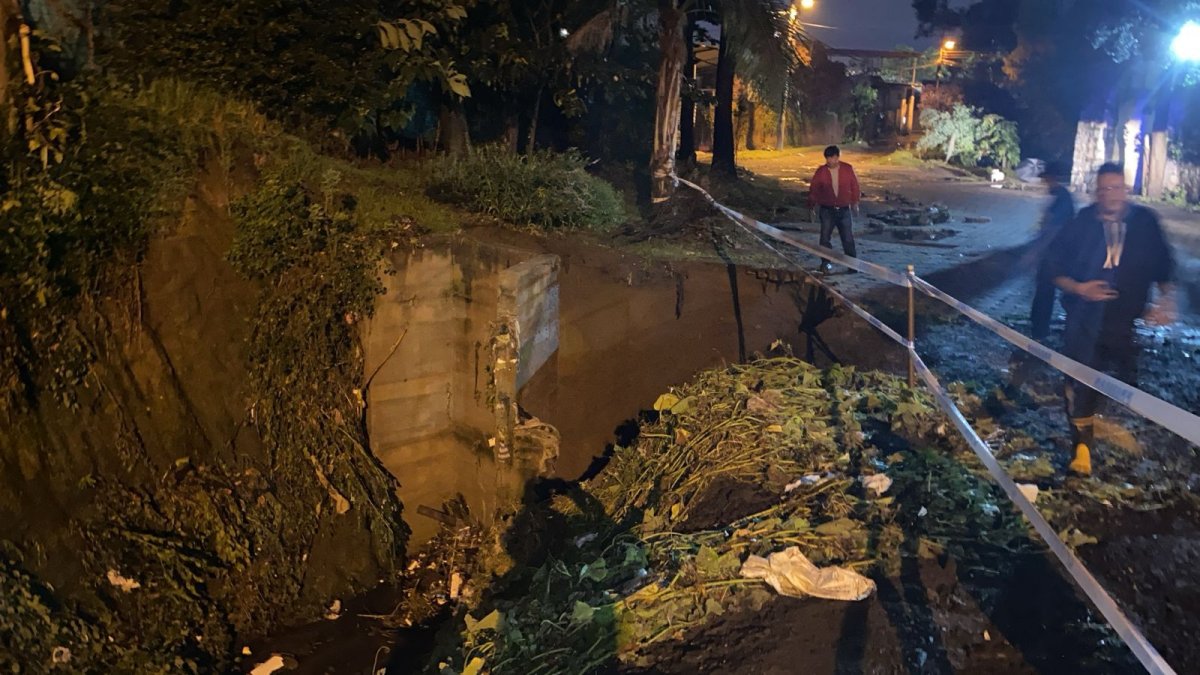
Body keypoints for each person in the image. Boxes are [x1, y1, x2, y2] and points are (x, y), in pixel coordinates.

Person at [1045, 163, 1177, 476]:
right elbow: (1052, 268)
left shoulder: (1145, 223)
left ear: (1126, 189)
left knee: (1122, 380)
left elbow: (1164, 265)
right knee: (1081, 380)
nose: (1110, 195)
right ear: (1096, 192)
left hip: (1125, 322)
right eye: (1103, 189)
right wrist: (1079, 288)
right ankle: (1082, 446)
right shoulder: (1081, 224)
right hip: (1084, 320)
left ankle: (1100, 420)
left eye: (1116, 188)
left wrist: (1166, 301)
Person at [1026, 161, 1076, 340]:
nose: (1044, 183)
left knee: (1047, 290)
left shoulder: (1061, 197)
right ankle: (1039, 325)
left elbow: (1054, 227)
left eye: (1046, 179)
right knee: (1044, 289)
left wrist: (1037, 250)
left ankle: (1040, 330)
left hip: (1056, 252)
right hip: (1051, 251)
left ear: (1051, 178)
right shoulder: (1057, 195)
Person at [807, 145, 861, 273]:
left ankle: (852, 264)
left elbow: (855, 186)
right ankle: (826, 264)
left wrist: (855, 203)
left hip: (844, 209)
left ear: (837, 157)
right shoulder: (821, 172)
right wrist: (811, 205)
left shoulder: (847, 169)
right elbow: (814, 189)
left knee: (847, 238)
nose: (830, 161)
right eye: (827, 158)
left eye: (832, 158)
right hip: (827, 210)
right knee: (825, 238)